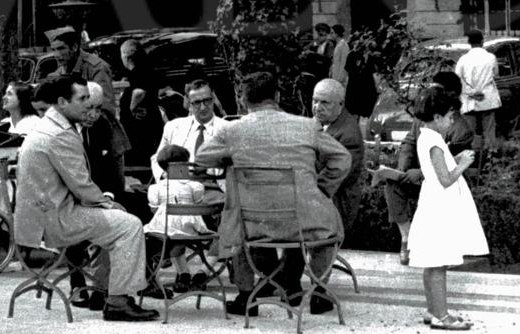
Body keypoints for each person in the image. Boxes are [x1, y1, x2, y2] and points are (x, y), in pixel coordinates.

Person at [196, 71, 351, 316]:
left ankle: (247, 294)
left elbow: (202, 155)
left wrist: (230, 158)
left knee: (235, 220)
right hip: (303, 220)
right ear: (277, 96)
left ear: (244, 99)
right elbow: (342, 159)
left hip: (256, 222)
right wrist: (322, 186)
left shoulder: (233, 130)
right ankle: (319, 291)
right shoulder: (307, 126)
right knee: (331, 228)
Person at [14, 75, 158, 322]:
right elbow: (82, 186)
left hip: (39, 217)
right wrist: (111, 204)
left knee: (118, 220)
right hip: (54, 220)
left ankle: (108, 291)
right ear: (62, 102)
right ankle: (118, 301)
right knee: (130, 224)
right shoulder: (60, 135)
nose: (86, 104)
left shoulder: (50, 126)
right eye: (82, 99)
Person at [408, 85, 488, 330]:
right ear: (438, 117)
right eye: (450, 117)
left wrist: (454, 159)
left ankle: (434, 310)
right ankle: (442, 316)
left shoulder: (427, 137)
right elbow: (444, 179)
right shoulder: (432, 141)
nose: (453, 122)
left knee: (432, 262)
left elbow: (436, 171)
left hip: (434, 204)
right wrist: (462, 163)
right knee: (439, 262)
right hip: (439, 207)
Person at [383, 71, 473, 265]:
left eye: (437, 91)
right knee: (392, 183)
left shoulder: (460, 130)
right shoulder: (423, 121)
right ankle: (406, 238)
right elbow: (408, 142)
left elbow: (449, 164)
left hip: (442, 184)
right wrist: (403, 170)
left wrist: (419, 173)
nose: (430, 95)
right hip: (422, 178)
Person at [150, 78, 229, 284]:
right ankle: (182, 272)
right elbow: (156, 158)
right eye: (196, 103)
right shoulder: (175, 127)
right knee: (172, 209)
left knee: (232, 213)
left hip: (214, 187)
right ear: (188, 103)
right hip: (179, 185)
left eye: (207, 100)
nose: (203, 107)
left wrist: (212, 169)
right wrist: (166, 176)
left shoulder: (227, 128)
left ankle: (205, 269)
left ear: (214, 99)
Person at [45, 25, 130, 199]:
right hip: (76, 138)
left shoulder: (96, 67)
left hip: (104, 139)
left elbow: (104, 108)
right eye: (53, 50)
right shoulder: (58, 73)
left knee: (110, 192)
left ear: (75, 47)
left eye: (61, 48)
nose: (56, 54)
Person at [145, 145, 215, 293]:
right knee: (218, 238)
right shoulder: (196, 186)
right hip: (191, 228)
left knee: (170, 235)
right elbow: (197, 204)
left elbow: (153, 209)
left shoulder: (156, 188)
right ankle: (202, 272)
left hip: (164, 230)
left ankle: (183, 273)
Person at [312, 79, 364, 247]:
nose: (317, 107)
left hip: (335, 204)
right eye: (315, 100)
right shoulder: (321, 121)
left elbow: (339, 176)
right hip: (320, 199)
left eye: (324, 102)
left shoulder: (348, 134)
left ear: (340, 104)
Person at [119, 39, 167, 167]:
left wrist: (132, 107)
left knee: (142, 161)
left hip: (141, 128)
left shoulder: (139, 71)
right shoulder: (145, 69)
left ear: (126, 55)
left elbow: (139, 91)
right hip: (147, 125)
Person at [455, 29, 501, 150]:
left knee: (470, 132)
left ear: (469, 42)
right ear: (482, 41)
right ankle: (490, 156)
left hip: (469, 99)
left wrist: (471, 91)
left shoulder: (463, 60)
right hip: (488, 99)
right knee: (489, 130)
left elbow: (458, 79)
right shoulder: (491, 57)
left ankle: (473, 157)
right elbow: (496, 74)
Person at [344, 33, 378, 119]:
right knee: (354, 112)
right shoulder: (352, 55)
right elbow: (348, 70)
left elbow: (372, 70)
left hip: (366, 87)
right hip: (356, 87)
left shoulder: (369, 56)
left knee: (364, 112)